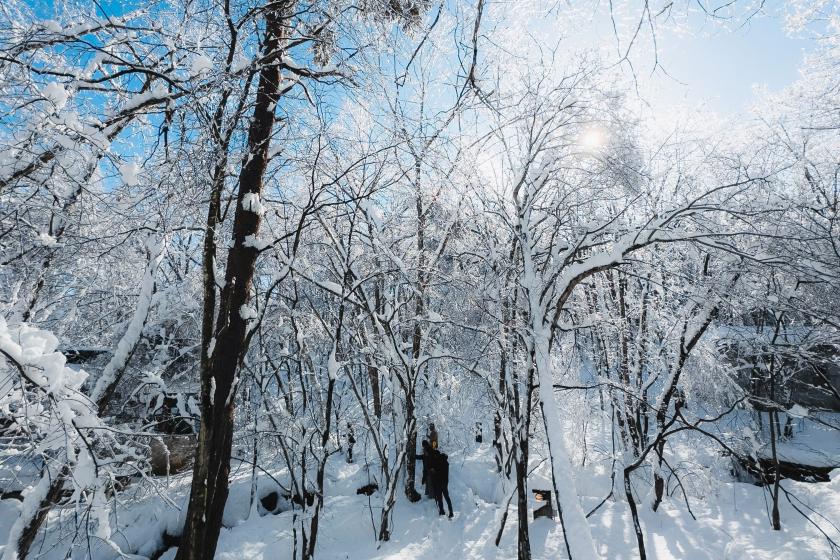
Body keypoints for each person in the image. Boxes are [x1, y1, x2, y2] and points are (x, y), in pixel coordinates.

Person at [429, 447, 453, 518]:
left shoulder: (437, 462)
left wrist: (433, 471)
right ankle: (451, 512)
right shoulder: (446, 462)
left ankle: (442, 511)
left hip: (439, 483)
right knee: (447, 497)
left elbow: (436, 472)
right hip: (445, 483)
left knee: (439, 498)